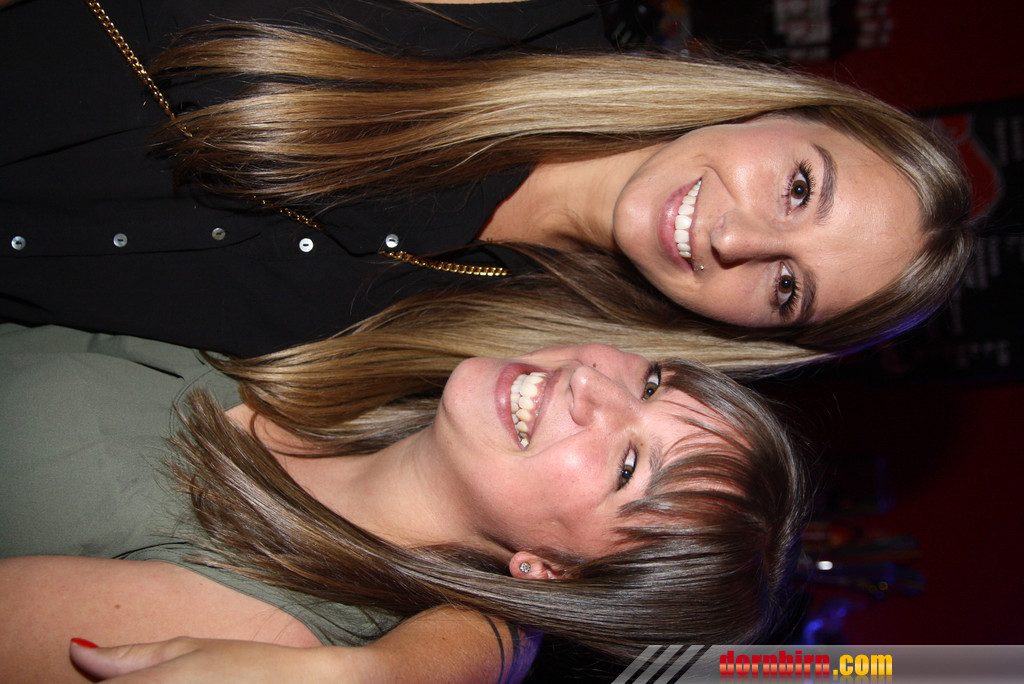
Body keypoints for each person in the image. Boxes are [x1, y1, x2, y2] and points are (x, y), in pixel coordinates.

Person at [1, 0, 973, 366]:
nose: (739, 240)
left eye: (787, 288)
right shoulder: (512, 13)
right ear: (781, 106)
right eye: (800, 188)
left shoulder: (493, 353)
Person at [0, 322, 809, 682]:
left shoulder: (265, 637)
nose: (592, 382)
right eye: (654, 381)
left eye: (629, 465)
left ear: (552, 570)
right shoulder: (353, 374)